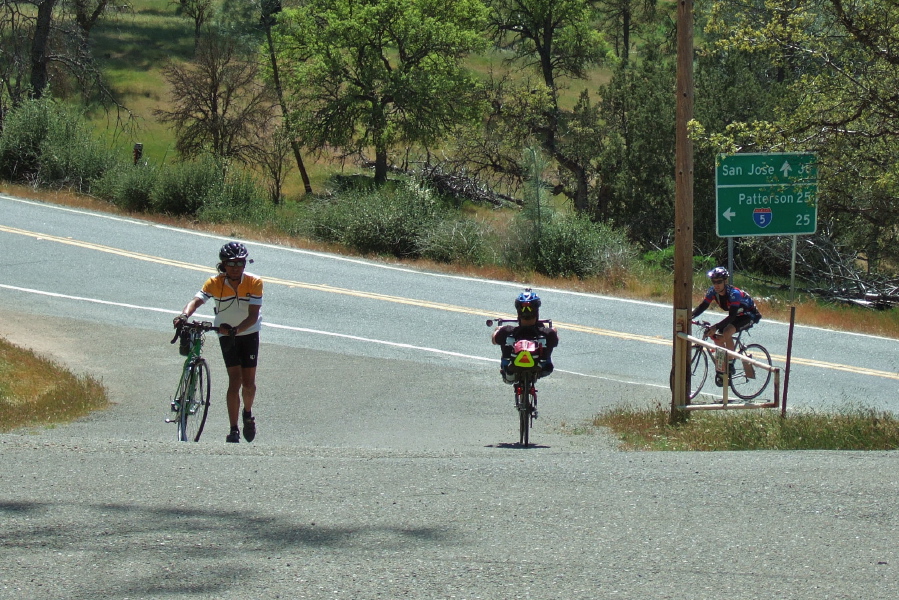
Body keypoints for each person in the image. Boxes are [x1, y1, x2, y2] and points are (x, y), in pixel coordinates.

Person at [174, 242, 263, 443]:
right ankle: (233, 429)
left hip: (248, 332)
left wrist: (237, 330)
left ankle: (247, 414)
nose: (236, 267)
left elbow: (253, 316)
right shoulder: (214, 283)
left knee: (248, 384)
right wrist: (184, 315)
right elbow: (196, 300)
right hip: (225, 333)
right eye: (231, 263)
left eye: (240, 263)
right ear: (223, 264)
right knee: (235, 380)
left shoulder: (255, 282)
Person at [691, 267, 762, 386]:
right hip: (736, 315)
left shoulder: (734, 294)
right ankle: (721, 367)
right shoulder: (712, 291)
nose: (716, 285)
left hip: (748, 315)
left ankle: (729, 363)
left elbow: (732, 316)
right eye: (714, 282)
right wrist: (690, 316)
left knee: (726, 331)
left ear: (725, 281)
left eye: (719, 282)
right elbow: (703, 306)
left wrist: (715, 326)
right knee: (717, 337)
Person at [491, 289, 559, 384]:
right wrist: (554, 331)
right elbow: (555, 342)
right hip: (544, 367)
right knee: (551, 336)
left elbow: (494, 340)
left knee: (503, 337)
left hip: (510, 367)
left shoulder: (506, 331)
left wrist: (497, 329)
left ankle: (509, 373)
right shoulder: (547, 333)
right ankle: (541, 365)